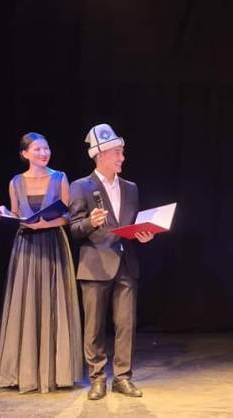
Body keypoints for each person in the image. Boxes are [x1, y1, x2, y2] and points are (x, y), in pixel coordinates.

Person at [69, 123, 154, 401]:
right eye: (117, 152)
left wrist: (142, 235)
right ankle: (97, 378)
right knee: (94, 327)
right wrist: (90, 223)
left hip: (126, 263)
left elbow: (130, 224)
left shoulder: (131, 188)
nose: (122, 157)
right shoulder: (81, 186)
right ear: (101, 154)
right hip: (95, 265)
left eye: (122, 152)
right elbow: (74, 228)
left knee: (126, 324)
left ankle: (122, 377)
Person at [0, 132, 82, 393]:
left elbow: (68, 216)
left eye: (46, 148)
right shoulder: (16, 182)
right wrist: (3, 215)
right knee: (27, 302)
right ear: (25, 154)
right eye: (37, 149)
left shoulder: (59, 177)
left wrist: (45, 223)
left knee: (54, 301)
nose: (44, 153)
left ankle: (56, 372)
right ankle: (26, 371)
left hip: (53, 243)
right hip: (26, 246)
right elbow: (17, 214)